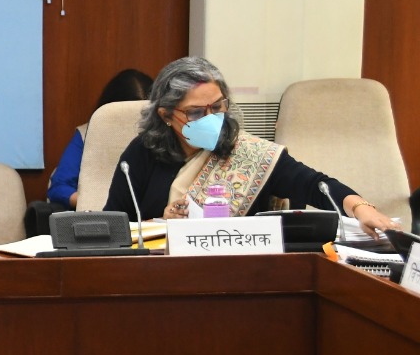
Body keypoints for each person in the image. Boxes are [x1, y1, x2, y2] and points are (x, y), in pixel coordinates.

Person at [104, 56, 401, 238]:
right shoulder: (142, 153)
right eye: (196, 112)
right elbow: (114, 226)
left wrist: (361, 208)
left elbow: (316, 185)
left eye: (217, 107)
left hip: (239, 277)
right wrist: (161, 224)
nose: (210, 118)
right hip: (160, 275)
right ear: (166, 115)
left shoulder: (249, 153)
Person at [47, 68, 154, 209]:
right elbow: (59, 188)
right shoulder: (86, 134)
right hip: (98, 216)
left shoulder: (164, 137)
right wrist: (94, 206)